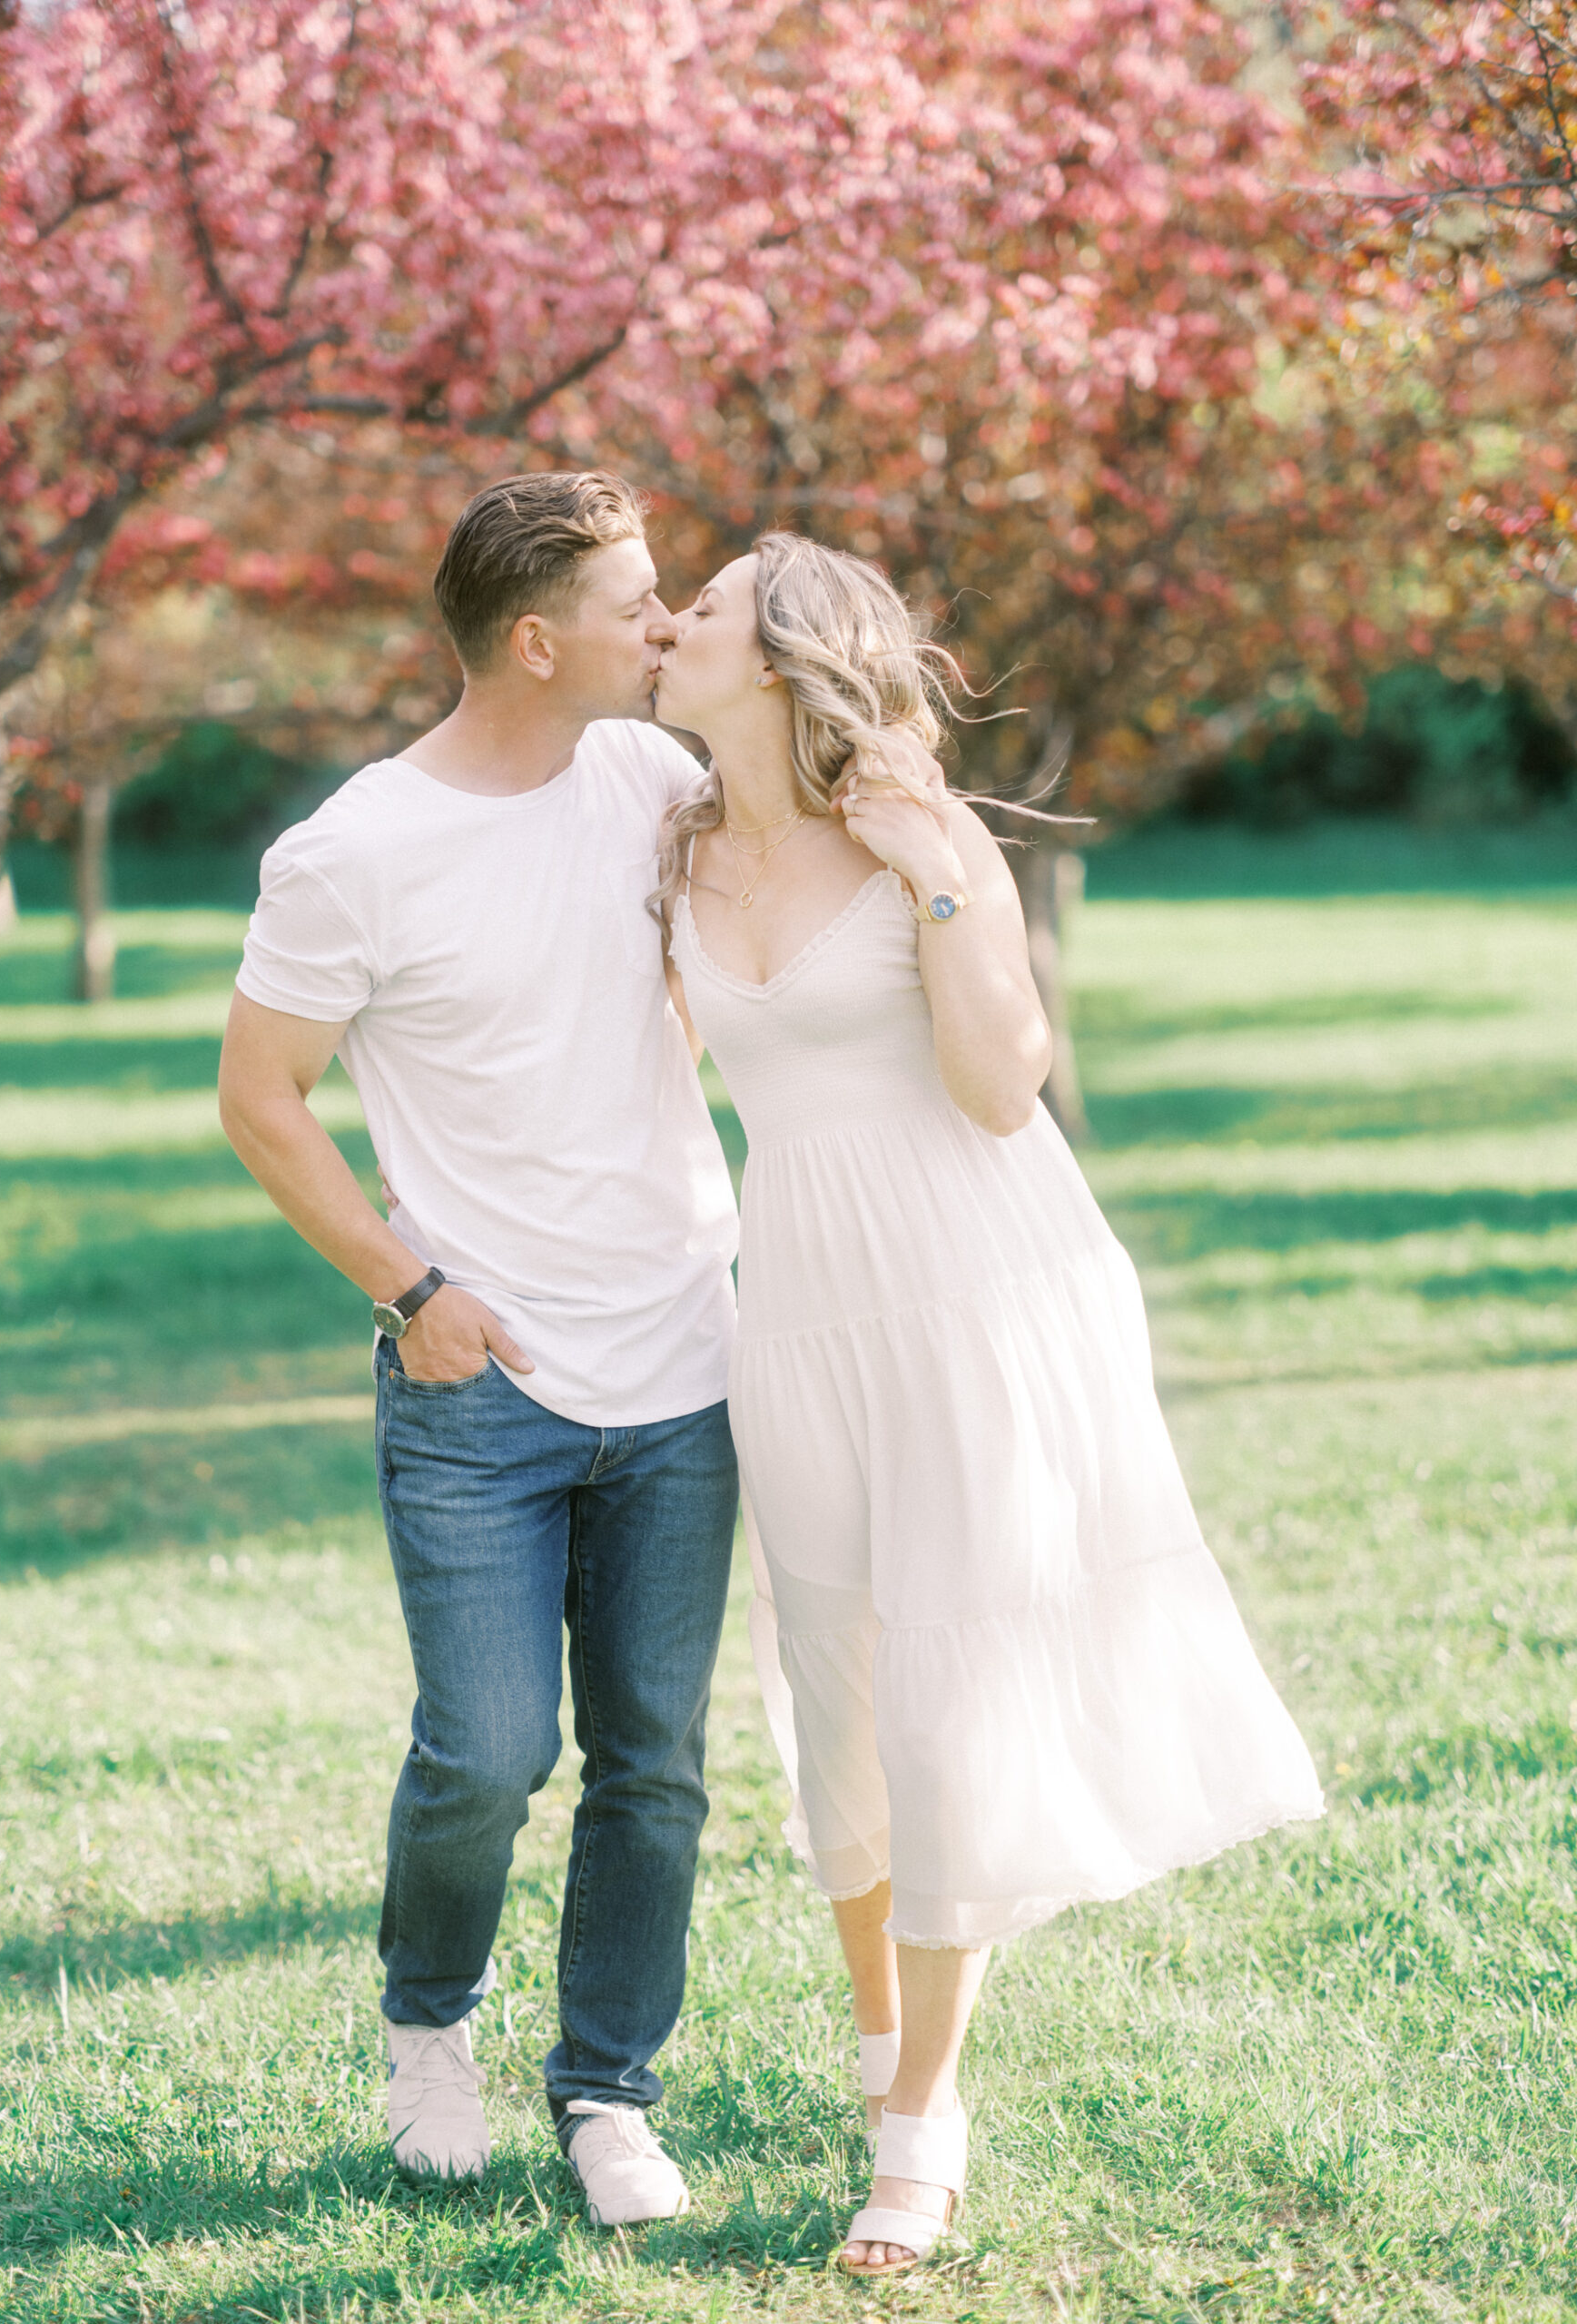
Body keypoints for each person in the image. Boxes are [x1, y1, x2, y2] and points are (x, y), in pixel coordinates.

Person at [653, 533, 1326, 2278]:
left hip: (979, 1289)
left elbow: (1000, 1087)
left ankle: (920, 2121)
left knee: (950, 1702)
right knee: (838, 1689)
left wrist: (934, 871)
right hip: (796, 1304)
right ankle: (883, 2035)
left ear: (790, 656)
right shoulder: (672, 850)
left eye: (705, 607)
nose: (670, 622)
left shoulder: (925, 840)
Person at [217, 471, 744, 2228]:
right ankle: (427, 2026)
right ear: (537, 640)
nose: (664, 626)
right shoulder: (353, 852)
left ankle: (607, 2089)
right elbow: (259, 1099)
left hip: (684, 1359)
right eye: (638, 602)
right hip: (483, 1384)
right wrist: (407, 1286)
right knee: (491, 1749)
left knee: (653, 1759)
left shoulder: (656, 779)